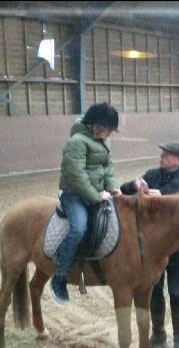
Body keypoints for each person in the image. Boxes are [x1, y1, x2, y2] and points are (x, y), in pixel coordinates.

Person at [120, 141, 179, 348]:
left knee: (175, 292)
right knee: (153, 291)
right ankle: (159, 334)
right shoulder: (151, 175)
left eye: (167, 155)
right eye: (162, 154)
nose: (161, 157)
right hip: (151, 250)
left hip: (175, 249)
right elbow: (125, 190)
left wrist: (160, 197)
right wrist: (135, 184)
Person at [51, 102, 122, 304]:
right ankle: (60, 275)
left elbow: (108, 167)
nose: (110, 134)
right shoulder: (76, 142)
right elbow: (76, 175)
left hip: (99, 192)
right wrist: (96, 196)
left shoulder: (104, 141)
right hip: (74, 195)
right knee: (79, 229)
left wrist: (113, 187)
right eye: (108, 129)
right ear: (97, 125)